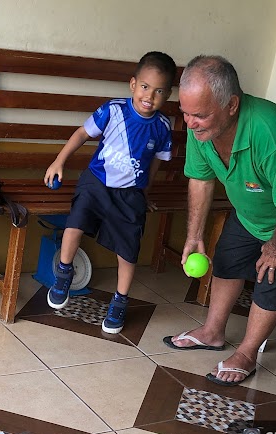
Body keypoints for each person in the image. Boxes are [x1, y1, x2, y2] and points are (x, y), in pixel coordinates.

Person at [161, 55, 276, 386]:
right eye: (185, 112)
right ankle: (212, 332)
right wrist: (194, 235)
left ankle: (247, 353)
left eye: (199, 115)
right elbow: (201, 179)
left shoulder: (270, 134)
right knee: (228, 259)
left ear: (231, 105)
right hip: (255, 206)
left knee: (272, 274)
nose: (190, 122)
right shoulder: (200, 127)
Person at [43, 52, 177, 334]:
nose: (150, 96)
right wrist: (59, 161)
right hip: (96, 182)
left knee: (128, 251)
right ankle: (64, 273)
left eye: (159, 91)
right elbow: (82, 133)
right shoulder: (114, 110)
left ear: (167, 94)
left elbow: (155, 163)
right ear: (133, 84)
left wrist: (145, 193)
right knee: (75, 224)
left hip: (130, 194)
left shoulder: (163, 127)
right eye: (145, 87)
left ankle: (119, 301)